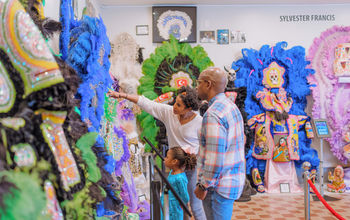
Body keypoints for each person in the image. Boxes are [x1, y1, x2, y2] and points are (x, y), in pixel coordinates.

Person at [107, 86, 206, 219]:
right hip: (174, 167)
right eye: (175, 102)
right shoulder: (169, 112)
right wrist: (122, 95)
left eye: (179, 105)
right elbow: (146, 103)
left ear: (189, 109)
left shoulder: (200, 122)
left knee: (195, 205)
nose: (174, 106)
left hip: (190, 168)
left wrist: (203, 175)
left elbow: (206, 147)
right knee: (176, 203)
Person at [194, 67, 246, 220]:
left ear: (208, 84)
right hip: (231, 180)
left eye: (199, 83)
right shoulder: (230, 106)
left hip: (217, 186)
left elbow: (215, 159)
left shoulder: (213, 114)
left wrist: (203, 185)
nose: (196, 87)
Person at [163, 146, 197, 219]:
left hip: (173, 210)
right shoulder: (172, 171)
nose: (164, 159)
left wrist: (179, 204)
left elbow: (185, 197)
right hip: (167, 204)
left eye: (167, 157)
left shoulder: (180, 178)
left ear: (174, 161)